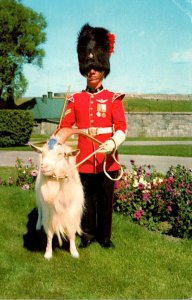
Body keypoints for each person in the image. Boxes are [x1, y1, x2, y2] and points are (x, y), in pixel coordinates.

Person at [55, 23, 127, 249]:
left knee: (105, 200)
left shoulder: (114, 98)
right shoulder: (75, 100)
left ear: (103, 68)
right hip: (84, 159)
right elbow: (64, 128)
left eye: (96, 66)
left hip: (107, 159)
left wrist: (113, 142)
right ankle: (86, 234)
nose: (92, 71)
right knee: (85, 200)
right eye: (88, 67)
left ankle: (104, 237)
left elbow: (121, 127)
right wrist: (52, 143)